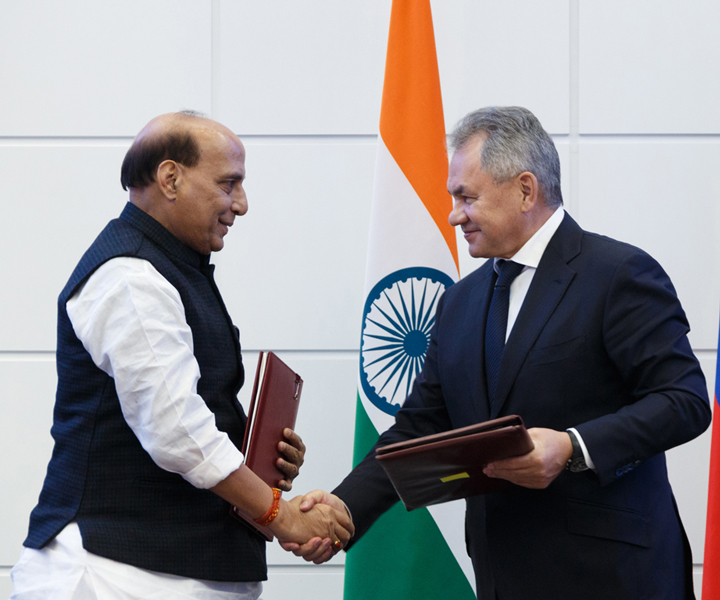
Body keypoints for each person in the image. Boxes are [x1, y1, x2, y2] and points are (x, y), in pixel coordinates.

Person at [286, 106, 711, 600]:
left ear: (526, 190)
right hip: (501, 578)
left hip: (612, 578)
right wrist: (342, 509)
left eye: (467, 197)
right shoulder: (459, 303)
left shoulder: (619, 274)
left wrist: (572, 447)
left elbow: (684, 401)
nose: (454, 214)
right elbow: (419, 428)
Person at [9, 111, 353, 600]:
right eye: (228, 184)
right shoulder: (129, 275)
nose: (242, 204)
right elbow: (176, 430)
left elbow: (187, 422)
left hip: (169, 569)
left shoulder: (173, 267)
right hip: (116, 575)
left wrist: (258, 458)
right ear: (170, 178)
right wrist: (279, 514)